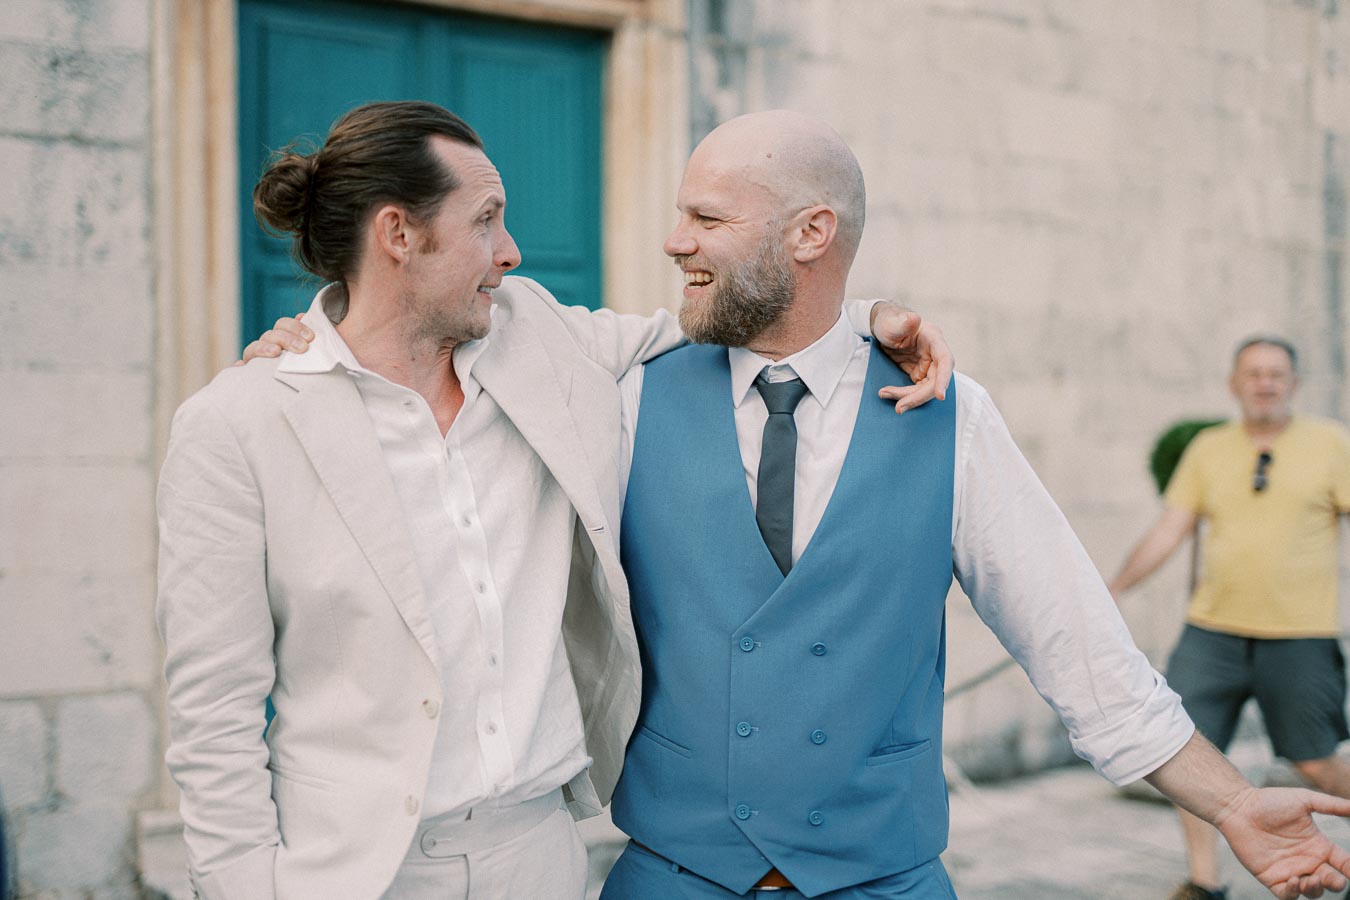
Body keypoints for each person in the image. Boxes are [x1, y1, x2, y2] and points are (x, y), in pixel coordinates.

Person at [250, 110, 1350, 899]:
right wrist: (313, 342)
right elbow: (417, 376)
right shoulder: (614, 392)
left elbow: (1077, 642)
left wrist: (1223, 799)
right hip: (667, 881)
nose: (674, 240)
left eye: (706, 216)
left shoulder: (947, 412)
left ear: (810, 234)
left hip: (887, 881)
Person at [158, 100, 950, 900]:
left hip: (540, 859)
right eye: (486, 222)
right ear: (398, 235)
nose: (511, 253)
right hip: (354, 873)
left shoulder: (534, 333)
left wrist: (864, 320)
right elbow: (212, 716)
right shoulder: (237, 425)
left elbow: (717, 320)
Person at [1110, 336, 1350, 900]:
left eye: (1276, 373)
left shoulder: (1333, 445)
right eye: (1253, 373)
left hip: (1299, 636)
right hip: (1211, 633)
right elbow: (1170, 529)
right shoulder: (1208, 449)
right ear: (1234, 384)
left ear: (1293, 383)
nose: (1265, 382)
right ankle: (1204, 882)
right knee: (1182, 753)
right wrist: (1113, 589)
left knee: (1316, 764)